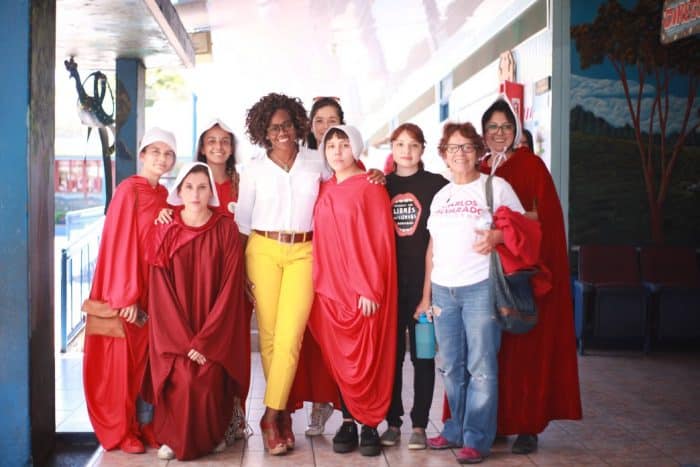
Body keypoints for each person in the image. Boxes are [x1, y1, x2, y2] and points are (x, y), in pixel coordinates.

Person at [416, 122, 526, 464]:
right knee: (450, 366)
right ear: (444, 156)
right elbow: (432, 249)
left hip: (480, 288)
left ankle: (477, 439)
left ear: (478, 152)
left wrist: (497, 238)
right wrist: (425, 296)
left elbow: (525, 227)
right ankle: (454, 429)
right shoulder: (441, 195)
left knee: (481, 367)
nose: (460, 153)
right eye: (453, 148)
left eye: (466, 147)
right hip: (444, 292)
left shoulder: (495, 187)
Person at [480, 97, 582, 454]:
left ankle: (526, 424)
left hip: (520, 273)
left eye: (505, 127)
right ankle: (493, 422)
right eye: (492, 127)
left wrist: (507, 229)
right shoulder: (477, 167)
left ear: (516, 130)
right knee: (489, 352)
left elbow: (544, 220)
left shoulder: (531, 166)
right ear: (483, 132)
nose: (499, 133)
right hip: (484, 275)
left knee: (523, 348)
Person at [236, 92, 332, 456]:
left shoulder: (315, 161)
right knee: (271, 340)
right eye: (274, 127)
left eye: (288, 125)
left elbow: (342, 182)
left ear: (298, 124)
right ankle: (284, 418)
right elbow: (243, 223)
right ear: (263, 130)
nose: (283, 132)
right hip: (262, 249)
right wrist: (240, 270)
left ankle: (269, 414)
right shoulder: (254, 169)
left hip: (305, 252)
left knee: (290, 338)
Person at [83, 127, 176, 453]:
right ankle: (121, 432)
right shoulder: (128, 191)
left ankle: (142, 425)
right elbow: (119, 243)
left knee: (145, 367)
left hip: (152, 292)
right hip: (126, 291)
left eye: (168, 153)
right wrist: (124, 296)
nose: (161, 158)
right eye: (155, 151)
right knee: (119, 367)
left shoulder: (164, 196)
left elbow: (159, 245)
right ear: (142, 154)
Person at [146, 162, 248, 461]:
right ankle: (172, 437)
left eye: (202, 187)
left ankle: (213, 435)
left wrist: (205, 342)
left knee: (205, 378)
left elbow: (230, 287)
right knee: (181, 378)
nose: (195, 193)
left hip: (213, 331)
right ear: (179, 190)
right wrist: (183, 343)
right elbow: (160, 292)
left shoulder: (225, 228)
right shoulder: (165, 228)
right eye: (189, 187)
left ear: (211, 191)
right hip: (174, 334)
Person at [307, 125, 397, 457]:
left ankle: (370, 422)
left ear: (356, 148)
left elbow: (379, 241)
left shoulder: (370, 187)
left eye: (344, 144)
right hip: (331, 289)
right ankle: (348, 420)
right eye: (331, 145)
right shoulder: (323, 187)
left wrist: (370, 288)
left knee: (367, 356)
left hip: (362, 289)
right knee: (340, 359)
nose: (337, 151)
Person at [380, 123, 447, 450]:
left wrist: (428, 295)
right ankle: (392, 422)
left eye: (413, 145)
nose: (406, 151)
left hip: (424, 291)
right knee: (391, 358)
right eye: (400, 144)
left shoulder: (437, 186)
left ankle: (420, 423)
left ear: (423, 149)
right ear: (392, 148)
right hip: (390, 291)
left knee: (422, 357)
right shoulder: (381, 185)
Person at [297, 96, 345, 438]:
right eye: (319, 120)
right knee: (308, 336)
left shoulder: (350, 162)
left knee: (335, 335)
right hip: (302, 256)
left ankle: (338, 401)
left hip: (338, 261)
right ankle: (315, 401)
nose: (325, 125)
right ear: (310, 125)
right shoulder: (302, 161)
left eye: (333, 119)